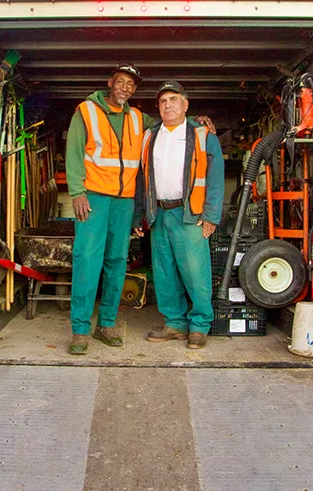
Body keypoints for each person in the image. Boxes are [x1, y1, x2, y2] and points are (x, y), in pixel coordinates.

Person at [65, 64, 214, 355]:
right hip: (93, 198)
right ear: (110, 83)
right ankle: (80, 329)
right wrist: (77, 192)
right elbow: (74, 151)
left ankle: (106, 324)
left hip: (123, 201)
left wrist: (195, 119)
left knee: (117, 261)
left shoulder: (138, 118)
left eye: (131, 85)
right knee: (86, 261)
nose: (125, 88)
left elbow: (172, 121)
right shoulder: (86, 111)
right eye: (120, 82)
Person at [134, 81, 225, 349]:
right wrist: (140, 214)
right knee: (164, 272)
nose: (168, 105)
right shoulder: (149, 136)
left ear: (185, 105)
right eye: (163, 101)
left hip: (190, 215)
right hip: (159, 214)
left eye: (174, 99)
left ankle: (199, 325)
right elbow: (142, 178)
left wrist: (211, 215)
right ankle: (174, 323)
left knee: (195, 272)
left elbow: (216, 177)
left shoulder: (202, 134)